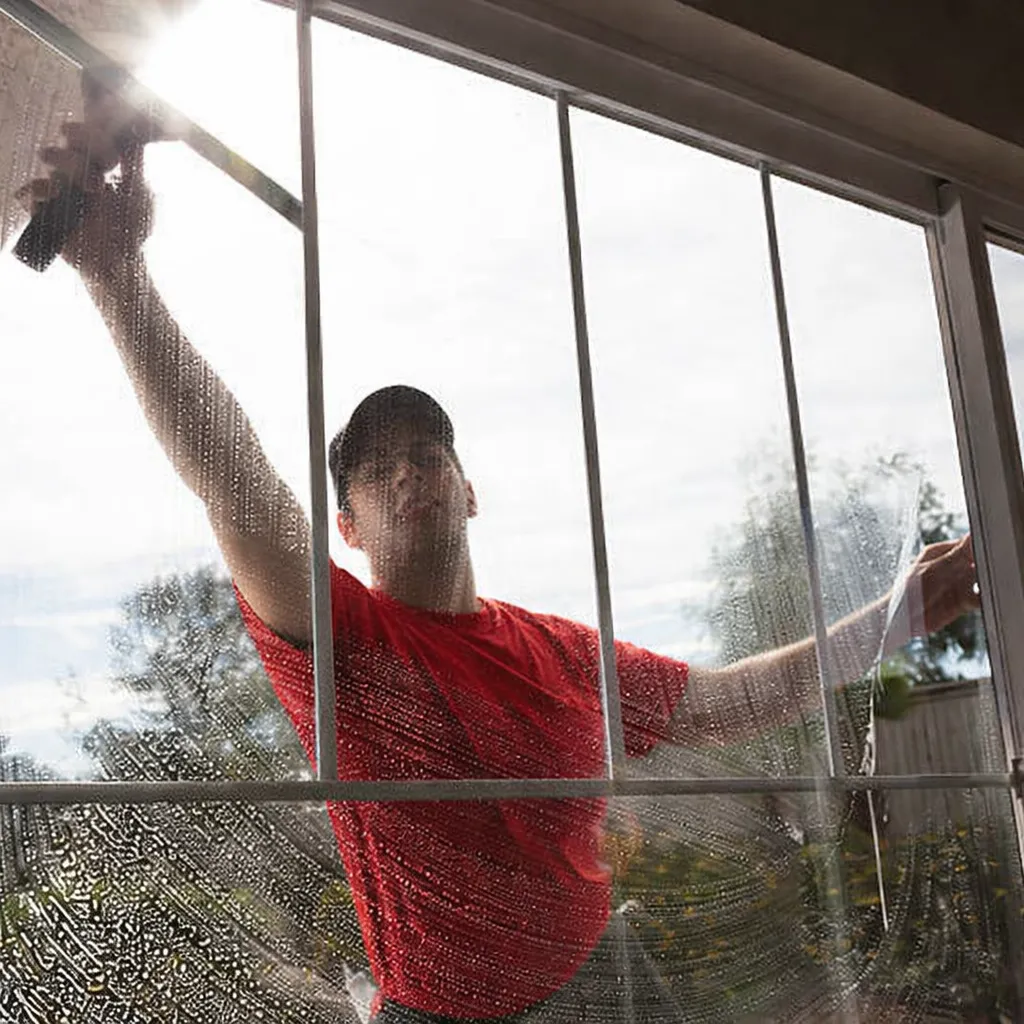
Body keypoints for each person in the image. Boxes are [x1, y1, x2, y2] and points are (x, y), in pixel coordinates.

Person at [18, 112, 979, 1023]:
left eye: (428, 449)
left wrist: (893, 618)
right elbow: (238, 486)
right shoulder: (341, 642)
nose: (408, 468)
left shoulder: (558, 650)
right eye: (375, 466)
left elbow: (725, 704)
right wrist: (117, 275)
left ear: (471, 490)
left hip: (607, 977)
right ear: (346, 528)